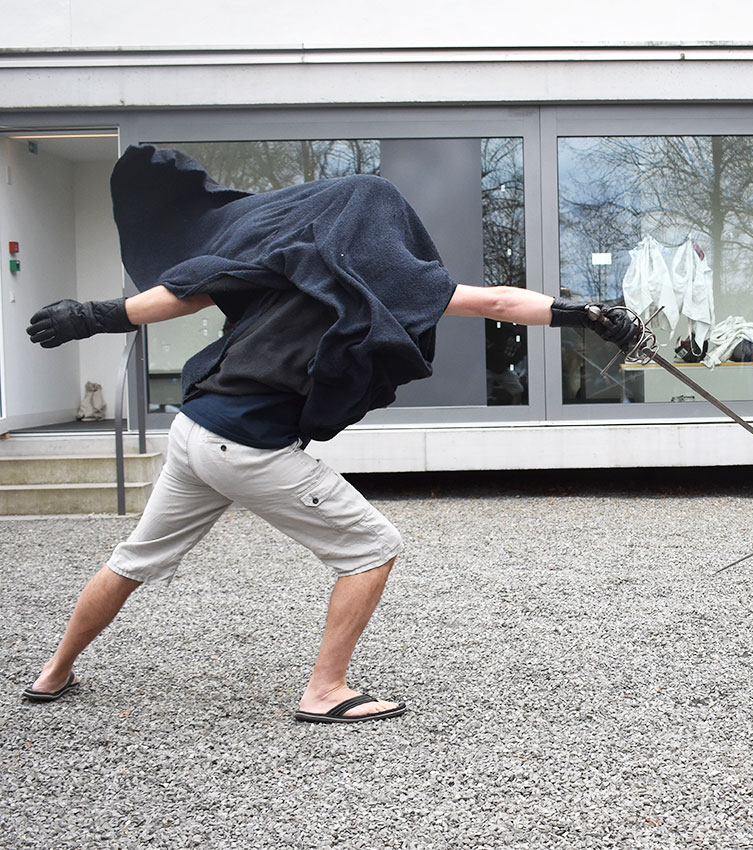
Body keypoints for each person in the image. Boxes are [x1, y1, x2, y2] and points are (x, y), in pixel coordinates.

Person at [21, 144, 636, 723]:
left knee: (133, 559)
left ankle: (52, 674)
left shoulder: (278, 258)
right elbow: (496, 303)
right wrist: (581, 314)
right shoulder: (389, 279)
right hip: (248, 446)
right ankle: (325, 691)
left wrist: (93, 316)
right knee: (372, 548)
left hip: (194, 429)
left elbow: (186, 292)